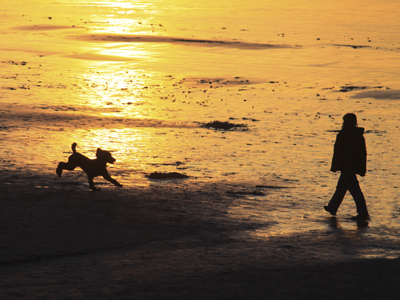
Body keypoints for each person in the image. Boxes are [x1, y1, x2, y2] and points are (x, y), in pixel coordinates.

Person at [324, 113, 369, 220]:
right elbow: (362, 153)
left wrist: (336, 165)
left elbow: (339, 152)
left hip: (346, 166)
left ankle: (363, 212)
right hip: (350, 165)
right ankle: (332, 207)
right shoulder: (357, 135)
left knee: (354, 190)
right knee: (341, 188)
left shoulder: (346, 134)